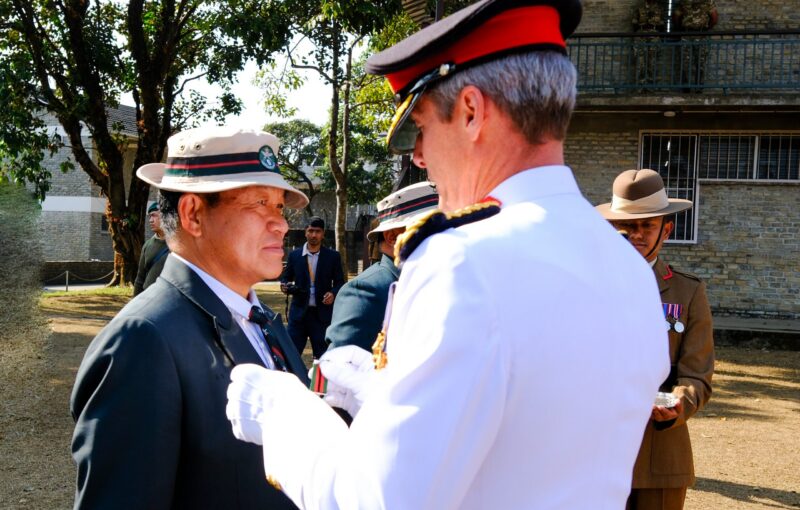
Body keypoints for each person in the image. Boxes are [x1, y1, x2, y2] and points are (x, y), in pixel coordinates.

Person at [225, 1, 670, 508]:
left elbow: (376, 501)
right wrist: (381, 394)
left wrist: (285, 413)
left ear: (472, 112)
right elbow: (529, 425)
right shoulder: (628, 269)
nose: (418, 155)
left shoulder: (465, 262)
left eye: (422, 126)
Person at [70, 127, 310, 509]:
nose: (281, 223)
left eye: (279, 206)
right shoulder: (143, 340)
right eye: (259, 203)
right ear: (193, 214)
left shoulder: (258, 317)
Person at [596, 169, 714, 510]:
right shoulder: (586, 285)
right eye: (627, 225)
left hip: (660, 455)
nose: (636, 234)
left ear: (667, 229)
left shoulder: (687, 292)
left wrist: (679, 403)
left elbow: (698, 375)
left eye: (647, 225)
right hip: (595, 453)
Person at [325, 181, 438, 353]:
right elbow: (341, 372)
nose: (445, 236)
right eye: (433, 229)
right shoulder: (365, 291)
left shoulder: (430, 282)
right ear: (393, 237)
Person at [280, 217, 344, 359]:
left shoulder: (333, 257)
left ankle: (318, 382)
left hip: (322, 317)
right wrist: (285, 286)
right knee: (290, 356)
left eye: (317, 231)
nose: (314, 235)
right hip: (298, 316)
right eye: (311, 231)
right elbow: (285, 278)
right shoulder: (294, 255)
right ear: (305, 232)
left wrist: (333, 294)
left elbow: (340, 282)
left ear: (323, 233)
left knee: (323, 359)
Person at [673, 0, 718, 89]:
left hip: (695, 34)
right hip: (692, 35)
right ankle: (692, 86)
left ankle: (693, 86)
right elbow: (675, 17)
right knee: (688, 62)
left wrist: (706, 28)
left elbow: (714, 18)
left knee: (697, 62)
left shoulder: (708, 1)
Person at [133, 201, 169, 295]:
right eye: (150, 216)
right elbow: (140, 279)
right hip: (148, 299)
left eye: (154, 215)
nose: (150, 220)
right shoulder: (147, 245)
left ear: (165, 216)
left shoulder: (178, 245)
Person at [631, 0, 666, 86]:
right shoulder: (639, 9)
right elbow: (634, 23)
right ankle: (639, 86)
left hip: (654, 36)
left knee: (652, 62)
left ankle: (651, 87)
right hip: (641, 35)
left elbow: (663, 24)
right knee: (640, 62)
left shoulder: (660, 9)